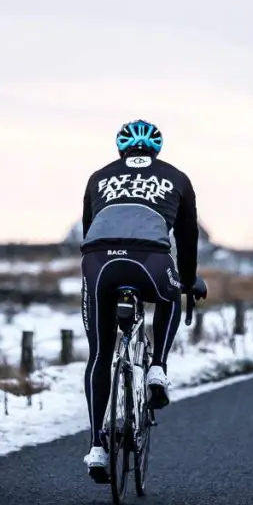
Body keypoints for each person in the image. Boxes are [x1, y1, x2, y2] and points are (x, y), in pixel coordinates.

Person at [79, 118, 207, 480]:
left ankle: (97, 447)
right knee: (169, 296)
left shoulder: (99, 177)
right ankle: (157, 368)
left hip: (99, 262)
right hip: (151, 260)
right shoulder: (177, 178)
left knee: (100, 355)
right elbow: (187, 236)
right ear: (156, 149)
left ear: (121, 149)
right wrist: (188, 279)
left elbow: (90, 230)